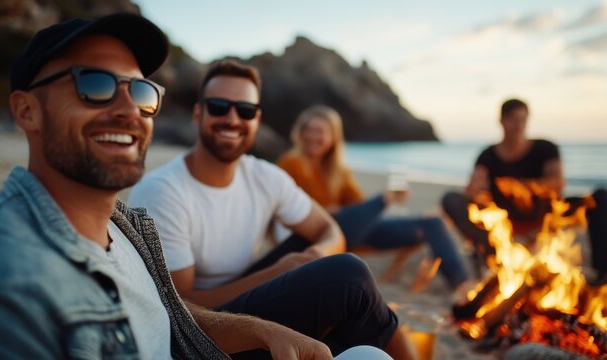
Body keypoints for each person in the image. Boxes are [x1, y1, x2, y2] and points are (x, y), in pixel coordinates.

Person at [0, 14, 384, 359]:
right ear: (27, 111)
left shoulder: (124, 225)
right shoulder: (2, 278)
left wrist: (262, 331)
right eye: (94, 85)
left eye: (141, 91)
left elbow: (170, 311)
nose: (129, 110)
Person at [129, 60, 417, 360]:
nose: (232, 119)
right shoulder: (164, 190)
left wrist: (315, 256)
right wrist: (278, 272)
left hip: (250, 296)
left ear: (257, 119)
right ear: (198, 113)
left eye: (245, 110)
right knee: (350, 274)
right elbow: (177, 305)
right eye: (218, 106)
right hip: (201, 329)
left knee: (355, 333)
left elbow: (328, 229)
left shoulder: (264, 176)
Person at [276, 105, 469, 289]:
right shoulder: (291, 163)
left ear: (333, 137)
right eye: (308, 130)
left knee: (432, 223)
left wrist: (354, 211)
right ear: (299, 133)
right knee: (376, 204)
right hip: (320, 234)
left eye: (320, 131)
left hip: (352, 230)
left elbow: (359, 208)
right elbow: (284, 208)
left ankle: (462, 285)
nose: (312, 136)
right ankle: (385, 199)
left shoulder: (338, 171)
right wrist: (327, 211)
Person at [441, 98, 606, 283]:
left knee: (600, 197)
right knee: (451, 199)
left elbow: (558, 182)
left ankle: (603, 272)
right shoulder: (488, 155)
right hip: (506, 220)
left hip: (546, 215)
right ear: (501, 120)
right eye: (513, 119)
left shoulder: (545, 148)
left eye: (523, 119)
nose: (518, 125)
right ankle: (492, 256)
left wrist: (521, 186)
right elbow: (472, 191)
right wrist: (477, 191)